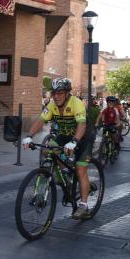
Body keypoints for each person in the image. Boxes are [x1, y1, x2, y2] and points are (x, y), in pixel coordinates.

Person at [22, 78, 94, 220]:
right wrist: (29, 136)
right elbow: (41, 120)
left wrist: (74, 142)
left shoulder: (77, 103)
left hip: (84, 137)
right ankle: (65, 172)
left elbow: (81, 125)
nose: (56, 96)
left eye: (59, 93)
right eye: (54, 93)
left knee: (80, 169)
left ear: (67, 93)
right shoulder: (52, 104)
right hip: (65, 135)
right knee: (48, 150)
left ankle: (84, 206)